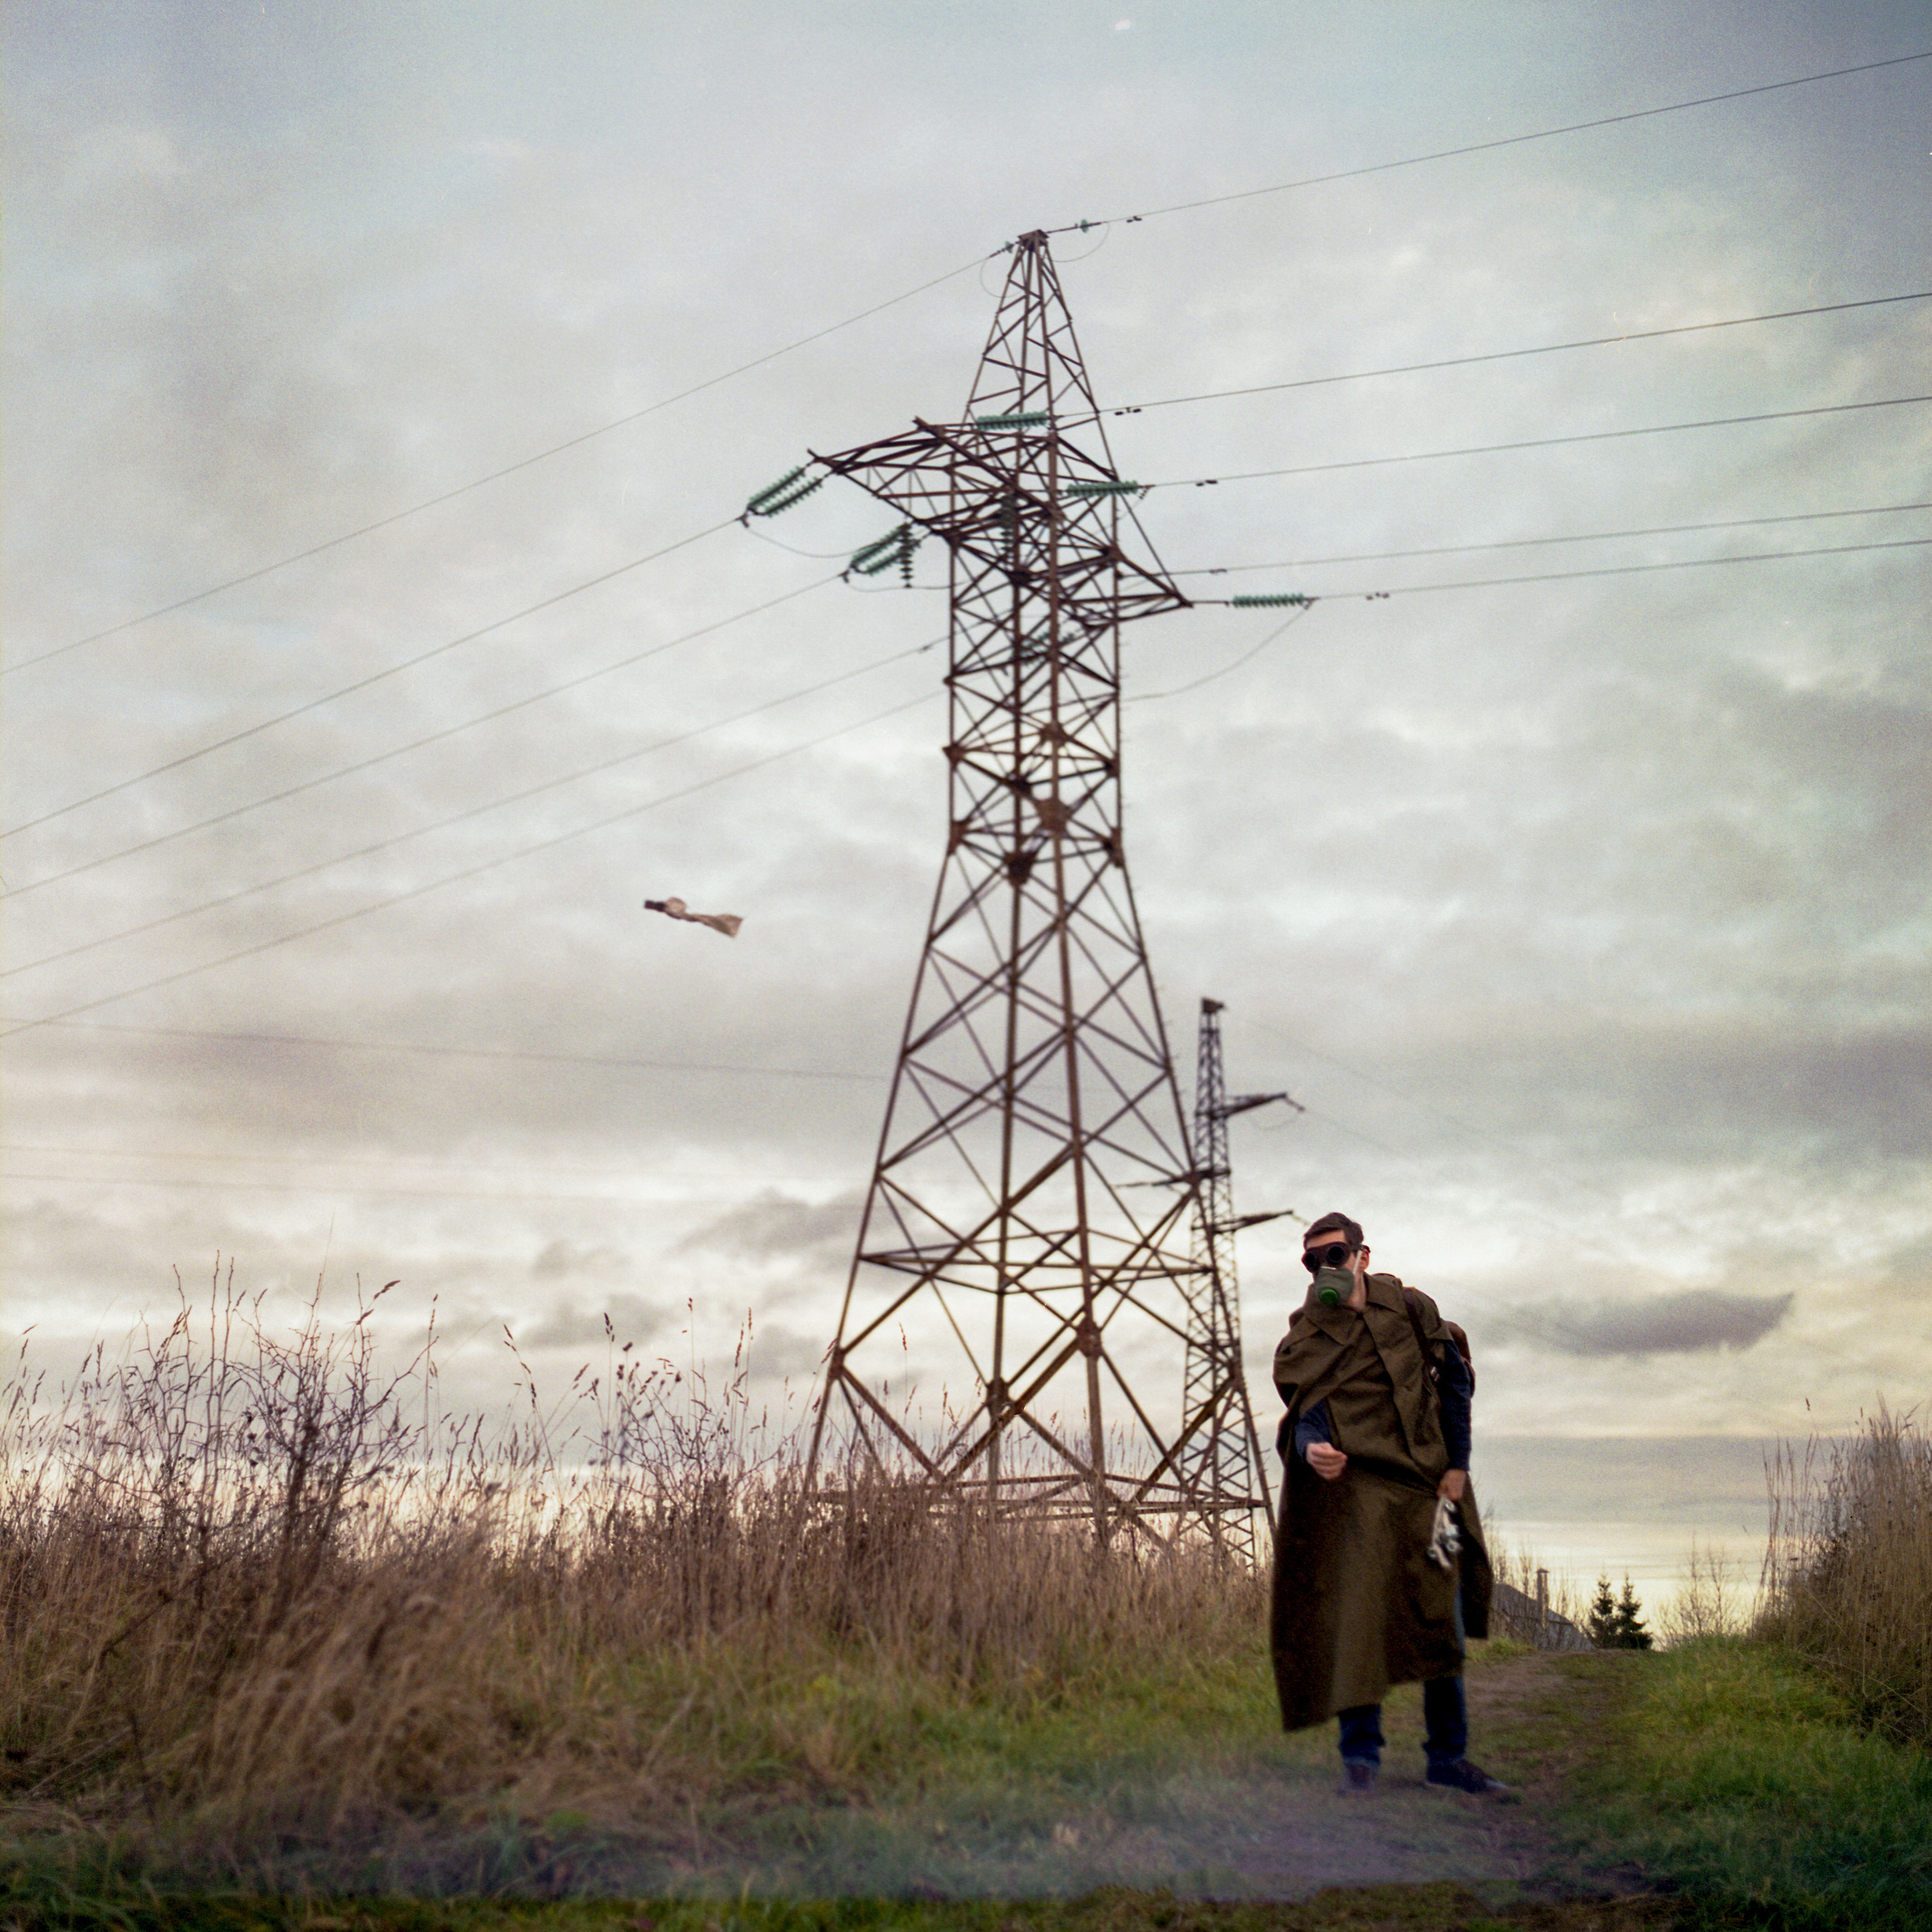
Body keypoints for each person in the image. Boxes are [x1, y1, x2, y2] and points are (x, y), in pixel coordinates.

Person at [1269, 1211, 1506, 1795]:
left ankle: (1447, 1759)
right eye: (1313, 1260)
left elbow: (1455, 1385)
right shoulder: (1307, 1335)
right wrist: (1312, 1449)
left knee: (1441, 1619)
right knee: (1358, 1622)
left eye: (1335, 1255)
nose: (1325, 1268)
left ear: (1362, 1255)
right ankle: (1361, 1760)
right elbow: (1306, 1414)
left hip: (1426, 1486)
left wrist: (1458, 1465)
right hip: (1358, 1494)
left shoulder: (1412, 1309)